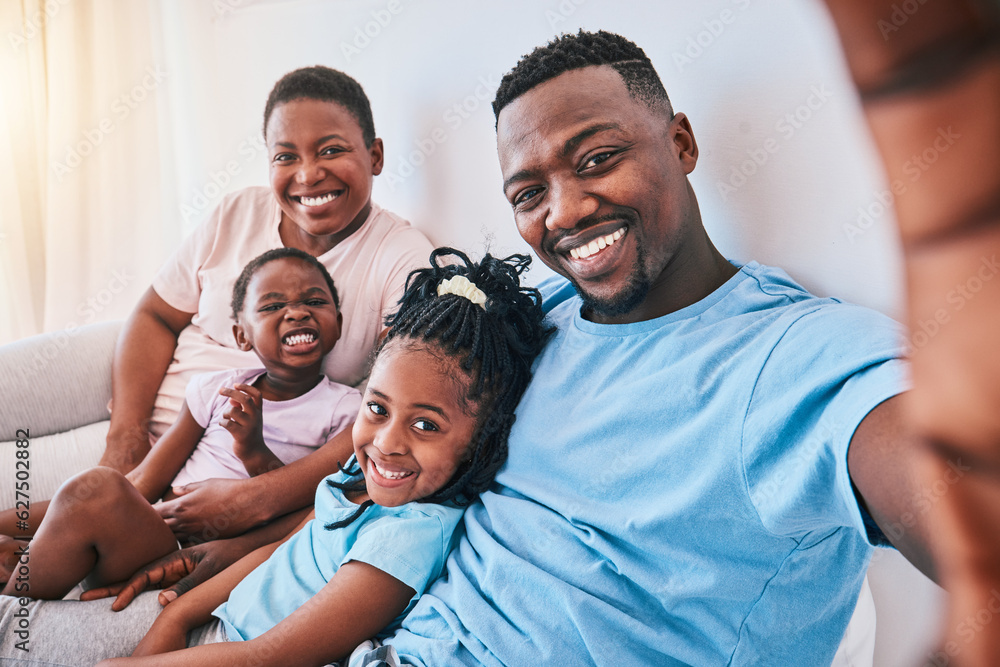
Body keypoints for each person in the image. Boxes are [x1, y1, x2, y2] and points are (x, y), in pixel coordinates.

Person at [340, 30, 936, 666]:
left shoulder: (795, 357)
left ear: (680, 143)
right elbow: (396, 406)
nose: (564, 212)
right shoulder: (541, 314)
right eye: (529, 194)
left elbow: (951, 493)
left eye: (597, 160)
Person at [0, 248, 552, 666]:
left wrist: (252, 452)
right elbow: (287, 547)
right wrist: (180, 616)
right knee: (88, 495)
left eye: (426, 424)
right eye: (379, 409)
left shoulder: (407, 532)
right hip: (209, 609)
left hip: (231, 642)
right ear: (240, 332)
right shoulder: (352, 474)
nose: (386, 441)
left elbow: (267, 655)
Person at [0, 65, 433, 596]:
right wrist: (126, 436)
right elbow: (156, 315)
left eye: (330, 150)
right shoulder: (237, 211)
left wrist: (259, 497)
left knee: (83, 503)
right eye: (285, 156)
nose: (308, 175)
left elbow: (386, 413)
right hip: (150, 449)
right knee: (51, 497)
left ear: (376, 155)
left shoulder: (404, 258)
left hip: (230, 485)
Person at [1, 248, 360, 601]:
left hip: (209, 555)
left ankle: (12, 609)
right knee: (96, 490)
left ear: (339, 324)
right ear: (242, 336)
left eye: (315, 302)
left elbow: (308, 509)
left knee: (92, 493)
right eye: (272, 306)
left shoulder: (344, 411)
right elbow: (142, 484)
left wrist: (253, 452)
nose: (297, 312)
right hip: (151, 535)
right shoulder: (216, 390)